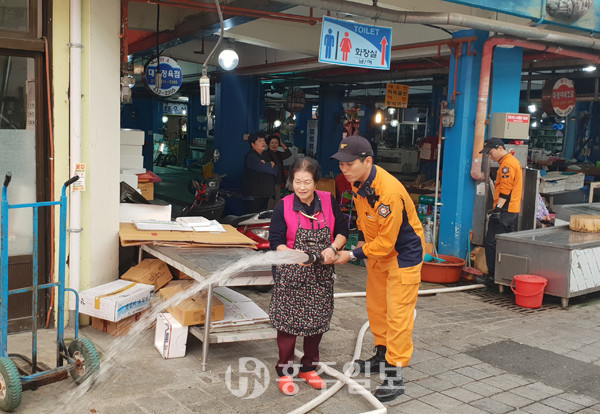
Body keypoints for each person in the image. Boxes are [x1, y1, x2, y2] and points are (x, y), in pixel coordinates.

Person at [330, 135, 424, 403]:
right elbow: (363, 219)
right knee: (377, 308)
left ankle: (395, 374)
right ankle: (382, 355)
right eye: (341, 164)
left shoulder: (388, 192)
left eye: (349, 163)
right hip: (379, 254)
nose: (344, 169)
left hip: (402, 256)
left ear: (367, 161)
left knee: (398, 315)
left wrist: (352, 254)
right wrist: (359, 242)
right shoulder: (358, 184)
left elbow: (387, 242)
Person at [268, 157, 349, 396]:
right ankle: (284, 371)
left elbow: (343, 230)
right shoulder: (283, 205)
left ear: (316, 182)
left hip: (321, 275)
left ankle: (308, 368)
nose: (301, 187)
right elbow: (276, 242)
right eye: (296, 182)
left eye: (306, 182)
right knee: (288, 327)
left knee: (316, 324)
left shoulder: (328, 200)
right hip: (292, 275)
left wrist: (333, 248)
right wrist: (294, 255)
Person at [477, 138, 523, 286]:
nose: (490, 156)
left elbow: (505, 189)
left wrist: (497, 209)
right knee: (505, 244)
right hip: (511, 210)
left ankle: (492, 277)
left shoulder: (507, 165)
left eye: (490, 153)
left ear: (499, 148)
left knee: (491, 242)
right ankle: (505, 276)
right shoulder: (511, 161)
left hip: (504, 211)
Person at [242, 132, 277, 214]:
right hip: (254, 196)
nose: (263, 143)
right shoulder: (251, 156)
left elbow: (275, 170)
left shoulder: (265, 155)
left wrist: (268, 165)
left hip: (265, 194)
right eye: (260, 141)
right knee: (252, 218)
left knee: (261, 218)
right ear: (253, 144)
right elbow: (267, 169)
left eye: (264, 140)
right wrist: (269, 165)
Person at [266, 133, 292, 209]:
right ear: (269, 144)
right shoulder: (266, 154)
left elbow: (288, 153)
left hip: (278, 181)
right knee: (271, 201)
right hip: (270, 182)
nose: (274, 145)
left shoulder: (278, 154)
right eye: (272, 143)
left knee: (277, 200)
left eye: (276, 143)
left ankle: (274, 217)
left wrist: (282, 144)